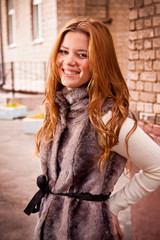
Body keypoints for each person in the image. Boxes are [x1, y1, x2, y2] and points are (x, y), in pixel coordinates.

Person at [24, 16, 160, 240]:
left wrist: (113, 207)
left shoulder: (107, 117)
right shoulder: (60, 108)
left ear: (99, 61)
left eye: (82, 55)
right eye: (64, 51)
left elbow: (156, 166)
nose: (69, 61)